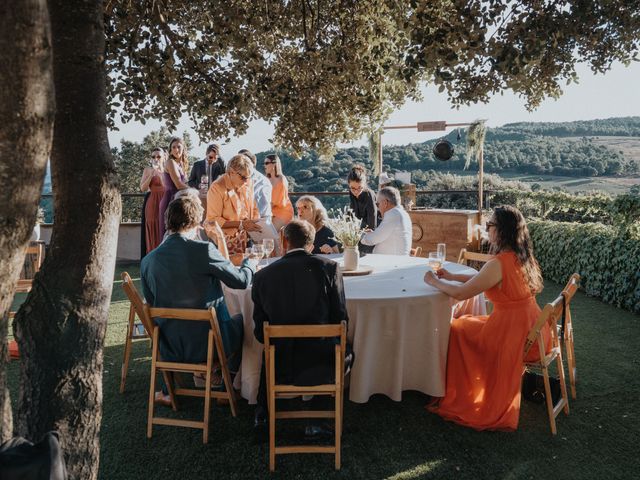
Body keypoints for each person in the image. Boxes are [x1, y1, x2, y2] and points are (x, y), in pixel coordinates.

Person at [423, 205, 550, 431]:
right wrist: (451, 276)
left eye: (490, 225)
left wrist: (434, 281)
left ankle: (460, 391)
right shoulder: (521, 256)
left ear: (501, 231)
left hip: (512, 334)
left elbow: (463, 294)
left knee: (456, 329)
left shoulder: (499, 263)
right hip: (534, 330)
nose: (487, 229)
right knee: (466, 322)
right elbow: (481, 280)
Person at [141, 194, 256, 405]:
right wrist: (249, 263)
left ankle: (172, 389)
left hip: (169, 346)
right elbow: (240, 282)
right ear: (196, 223)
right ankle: (226, 385)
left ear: (168, 220)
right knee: (244, 322)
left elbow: (151, 303)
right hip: (209, 343)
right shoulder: (203, 250)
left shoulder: (148, 260)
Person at [252, 219, 350, 436]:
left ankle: (263, 414)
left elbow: (260, 333)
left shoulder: (262, 277)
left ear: (284, 241)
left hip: (281, 365)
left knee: (270, 348)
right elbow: (341, 319)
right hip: (322, 366)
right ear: (311, 244)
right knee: (343, 347)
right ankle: (318, 418)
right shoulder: (330, 268)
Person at [360, 186, 411, 255]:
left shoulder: (393, 214)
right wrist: (373, 233)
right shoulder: (404, 214)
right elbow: (383, 235)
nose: (378, 208)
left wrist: (360, 235)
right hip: (395, 260)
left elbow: (373, 239)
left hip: (391, 263)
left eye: (377, 204)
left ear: (385, 203)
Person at [159, 137, 189, 238]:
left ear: (183, 148)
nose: (176, 150)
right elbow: (179, 185)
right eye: (174, 147)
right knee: (169, 234)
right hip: (170, 200)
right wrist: (195, 191)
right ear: (170, 150)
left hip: (179, 200)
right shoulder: (170, 162)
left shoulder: (181, 165)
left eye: (179, 147)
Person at [140, 147, 166, 254]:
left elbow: (167, 187)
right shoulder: (147, 170)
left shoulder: (167, 170)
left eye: (159, 156)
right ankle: (152, 256)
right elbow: (142, 188)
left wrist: (161, 172)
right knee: (152, 227)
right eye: (153, 156)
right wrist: (151, 175)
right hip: (152, 203)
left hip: (165, 202)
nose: (156, 158)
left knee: (164, 227)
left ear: (164, 158)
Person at [238, 149, 272, 220]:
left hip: (257, 220)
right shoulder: (264, 180)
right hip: (262, 218)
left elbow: (261, 208)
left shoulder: (260, 181)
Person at [264, 153, 294, 230]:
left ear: (274, 164)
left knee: (270, 231)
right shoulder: (266, 180)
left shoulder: (281, 179)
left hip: (282, 212)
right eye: (264, 163)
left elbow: (278, 201)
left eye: (267, 163)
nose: (265, 166)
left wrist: (264, 212)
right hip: (271, 211)